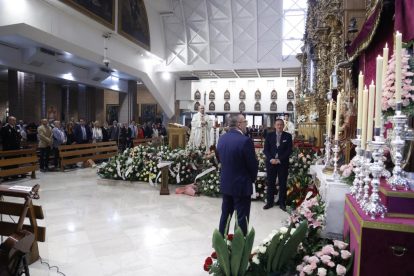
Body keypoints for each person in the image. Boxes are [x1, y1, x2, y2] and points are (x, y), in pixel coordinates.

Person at [216, 114, 258, 236]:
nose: (246, 125)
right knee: (241, 219)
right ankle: (239, 248)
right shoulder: (245, 141)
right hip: (241, 185)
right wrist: (252, 179)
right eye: (245, 122)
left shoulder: (222, 139)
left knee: (225, 215)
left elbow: (221, 159)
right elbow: (252, 165)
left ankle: (220, 244)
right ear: (239, 125)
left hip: (226, 183)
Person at [263, 119, 293, 212]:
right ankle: (269, 202)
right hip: (271, 163)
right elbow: (266, 149)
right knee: (271, 183)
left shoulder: (288, 136)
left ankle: (282, 203)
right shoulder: (269, 135)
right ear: (275, 126)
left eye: (281, 125)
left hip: (282, 163)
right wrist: (272, 159)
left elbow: (289, 150)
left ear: (283, 126)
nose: (279, 126)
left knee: (282, 183)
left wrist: (279, 160)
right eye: (278, 124)